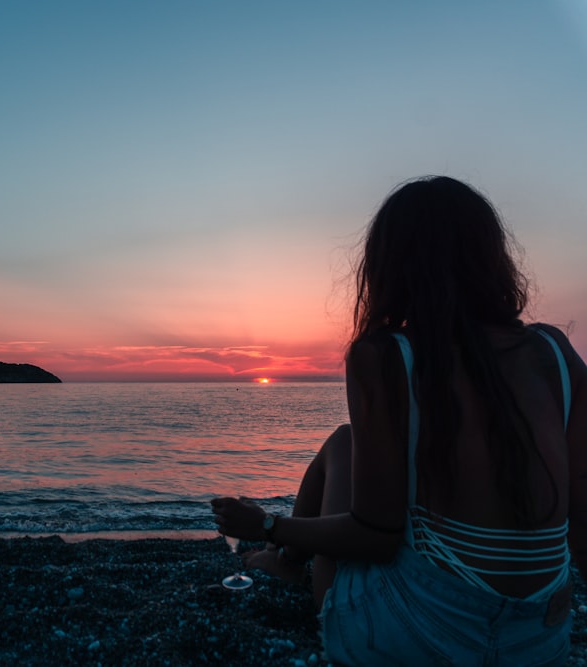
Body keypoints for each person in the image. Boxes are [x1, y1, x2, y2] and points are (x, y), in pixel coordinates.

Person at [211, 175, 587, 666]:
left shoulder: (387, 356)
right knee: (363, 457)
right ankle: (284, 560)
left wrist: (264, 524)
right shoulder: (554, 352)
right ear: (491, 257)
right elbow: (580, 515)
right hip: (537, 641)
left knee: (342, 446)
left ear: (390, 266)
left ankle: (282, 560)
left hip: (417, 635)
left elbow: (375, 537)